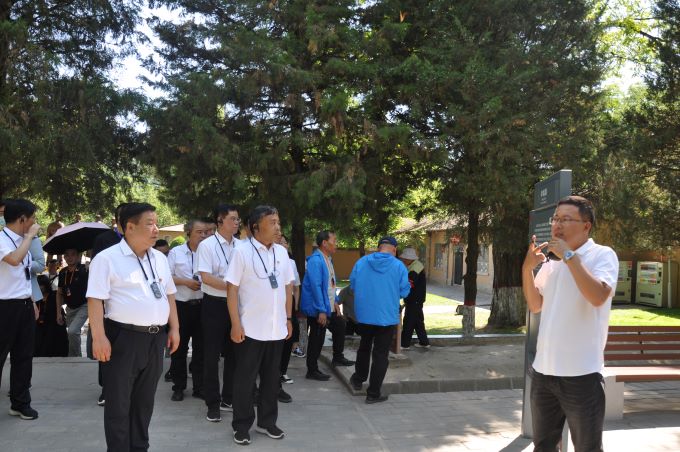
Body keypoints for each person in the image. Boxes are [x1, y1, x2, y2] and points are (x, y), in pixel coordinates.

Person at [522, 195, 618, 452]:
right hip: (543, 373)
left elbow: (597, 297)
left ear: (586, 225)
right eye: (555, 219)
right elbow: (535, 305)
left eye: (566, 219)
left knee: (587, 448)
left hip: (582, 375)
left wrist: (568, 254)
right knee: (544, 446)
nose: (557, 225)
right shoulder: (552, 263)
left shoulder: (602, 255)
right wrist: (527, 268)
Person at [87, 202, 180, 451]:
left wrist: (175, 328)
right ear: (129, 227)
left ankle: (139, 447)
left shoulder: (159, 258)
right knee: (118, 404)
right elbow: (95, 299)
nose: (156, 229)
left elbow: (169, 294)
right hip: (123, 338)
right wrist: (99, 337)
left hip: (155, 338)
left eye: (156, 223)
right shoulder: (107, 259)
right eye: (150, 224)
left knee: (144, 402)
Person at [226, 205, 294, 445]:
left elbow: (287, 286)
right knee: (245, 381)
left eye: (278, 222)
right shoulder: (241, 251)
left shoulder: (281, 252)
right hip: (250, 329)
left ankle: (267, 422)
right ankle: (241, 425)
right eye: (273, 222)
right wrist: (235, 324)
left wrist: (288, 318)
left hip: (276, 329)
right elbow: (232, 290)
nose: (278, 227)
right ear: (256, 227)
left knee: (271, 379)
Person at [349, 236, 410, 404]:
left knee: (364, 347)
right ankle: (373, 393)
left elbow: (353, 285)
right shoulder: (399, 266)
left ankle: (358, 379)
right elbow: (404, 291)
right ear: (394, 250)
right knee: (381, 354)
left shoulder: (362, 262)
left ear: (378, 248)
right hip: (386, 317)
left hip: (365, 315)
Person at [197, 204, 241, 422]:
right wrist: (232, 286)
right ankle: (212, 403)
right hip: (214, 305)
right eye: (233, 219)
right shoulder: (207, 245)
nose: (237, 223)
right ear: (220, 221)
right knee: (211, 356)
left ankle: (228, 398)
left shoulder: (241, 246)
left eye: (238, 219)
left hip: (236, 305)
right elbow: (205, 277)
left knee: (234, 353)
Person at [0, 199, 41, 420]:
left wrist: (32, 301)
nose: (35, 222)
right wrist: (29, 238)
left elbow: (23, 275)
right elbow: (14, 260)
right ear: (22, 219)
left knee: (24, 356)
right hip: (4, 307)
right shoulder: (2, 240)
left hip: (23, 304)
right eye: (32, 218)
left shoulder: (23, 242)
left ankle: (20, 403)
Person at [300, 231, 354, 382]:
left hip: (328, 305)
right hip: (318, 308)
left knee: (340, 325)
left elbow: (331, 284)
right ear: (324, 243)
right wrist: (321, 310)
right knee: (317, 338)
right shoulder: (316, 261)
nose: (336, 244)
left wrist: (335, 301)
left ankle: (338, 357)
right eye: (334, 241)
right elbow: (316, 287)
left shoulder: (328, 259)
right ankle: (312, 370)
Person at [89, 203, 128, 407]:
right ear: (117, 220)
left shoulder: (138, 241)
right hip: (107, 302)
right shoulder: (104, 240)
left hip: (129, 305)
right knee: (107, 346)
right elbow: (97, 272)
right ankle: (106, 388)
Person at [168, 219, 210, 401]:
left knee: (201, 349)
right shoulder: (176, 253)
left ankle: (199, 387)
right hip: (181, 307)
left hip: (202, 306)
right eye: (199, 232)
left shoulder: (208, 252)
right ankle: (178, 387)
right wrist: (185, 282)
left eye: (205, 232)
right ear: (189, 233)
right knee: (179, 349)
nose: (203, 236)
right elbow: (166, 277)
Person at [276, 233, 299, 403]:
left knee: (283, 344)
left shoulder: (287, 260)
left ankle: (277, 381)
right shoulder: (245, 251)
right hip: (260, 311)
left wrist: (290, 315)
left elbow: (291, 287)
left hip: (283, 306)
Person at [57, 248, 89, 357]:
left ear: (78, 256)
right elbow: (59, 293)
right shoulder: (62, 272)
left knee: (72, 331)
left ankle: (77, 358)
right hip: (70, 308)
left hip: (84, 305)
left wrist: (91, 265)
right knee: (72, 334)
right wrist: (58, 313)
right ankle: (74, 358)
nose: (70, 257)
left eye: (73, 254)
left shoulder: (84, 269)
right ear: (64, 257)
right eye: (67, 255)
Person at [399, 247, 430, 349]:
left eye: (404, 259)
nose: (403, 260)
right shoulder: (416, 265)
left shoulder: (414, 269)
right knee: (418, 321)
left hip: (414, 299)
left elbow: (410, 283)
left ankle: (404, 344)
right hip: (417, 299)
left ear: (409, 259)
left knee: (408, 321)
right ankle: (424, 342)